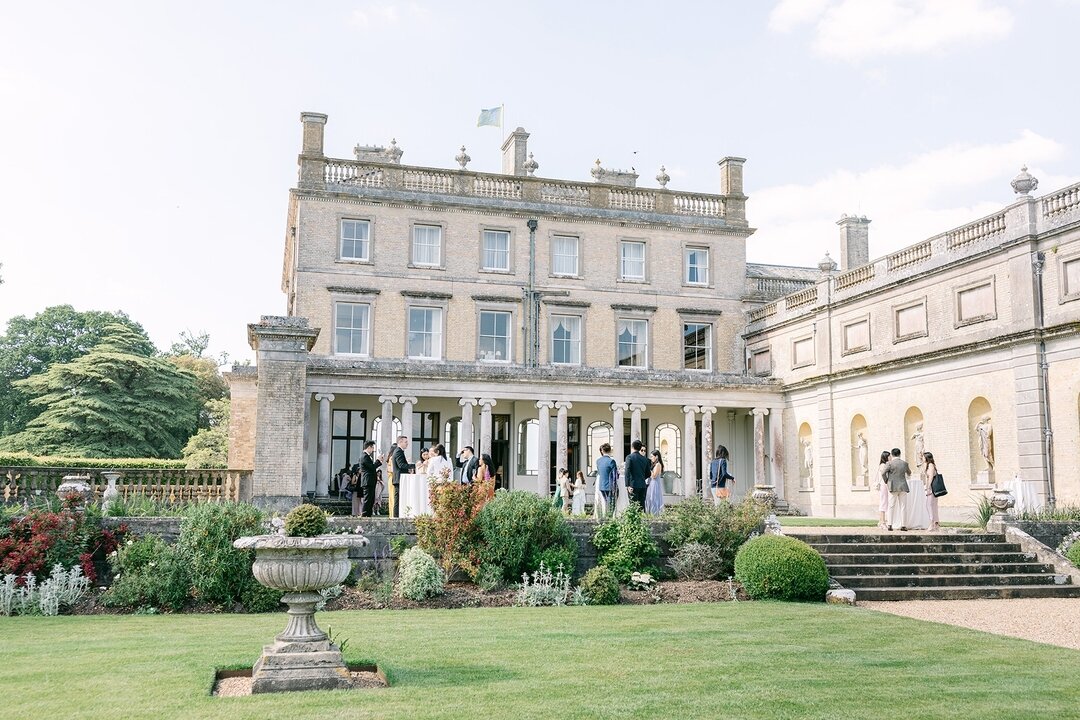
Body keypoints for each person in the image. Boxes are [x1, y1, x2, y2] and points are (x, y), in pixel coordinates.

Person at [883, 447, 912, 531]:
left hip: (893, 486)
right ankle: (903, 525)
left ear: (892, 454)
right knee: (903, 506)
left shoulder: (889, 463)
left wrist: (886, 480)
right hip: (903, 486)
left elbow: (883, 472)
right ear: (900, 454)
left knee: (891, 506)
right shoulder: (904, 463)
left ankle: (890, 525)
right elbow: (909, 473)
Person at [391, 435, 414, 517]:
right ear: (400, 442)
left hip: (400, 478)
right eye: (406, 442)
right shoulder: (398, 451)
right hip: (399, 479)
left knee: (400, 498)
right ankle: (396, 516)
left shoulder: (399, 451)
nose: (407, 444)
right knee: (398, 499)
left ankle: (398, 515)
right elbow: (401, 465)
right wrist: (414, 466)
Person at [624, 439, 650, 512]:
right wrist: (641, 477)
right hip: (642, 485)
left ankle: (634, 522)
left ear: (632, 447)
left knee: (633, 506)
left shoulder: (629, 457)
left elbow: (627, 471)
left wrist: (628, 485)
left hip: (633, 485)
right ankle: (642, 521)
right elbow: (648, 473)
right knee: (641, 506)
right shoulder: (645, 459)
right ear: (640, 448)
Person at [359, 441, 383, 517]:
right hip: (368, 481)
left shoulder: (366, 456)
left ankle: (368, 516)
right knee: (367, 500)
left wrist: (379, 461)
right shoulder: (364, 456)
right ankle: (364, 516)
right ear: (369, 447)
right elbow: (372, 467)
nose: (373, 450)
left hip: (370, 481)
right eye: (372, 448)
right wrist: (378, 460)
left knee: (371, 500)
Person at [594, 443, 616, 518]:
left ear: (602, 451)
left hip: (601, 485)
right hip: (610, 485)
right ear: (610, 451)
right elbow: (615, 475)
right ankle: (609, 517)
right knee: (611, 503)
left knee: (604, 502)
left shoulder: (598, 461)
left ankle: (604, 516)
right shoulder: (611, 461)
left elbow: (599, 472)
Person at [923, 451, 940, 531]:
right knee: (933, 506)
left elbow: (930, 478)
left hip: (932, 488)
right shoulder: (930, 465)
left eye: (923, 457)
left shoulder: (930, 465)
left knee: (929, 505)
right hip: (932, 488)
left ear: (927, 458)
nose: (922, 458)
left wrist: (928, 487)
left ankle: (932, 523)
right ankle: (936, 523)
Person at [645, 449, 665, 515]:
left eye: (652, 456)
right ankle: (650, 512)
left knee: (654, 497)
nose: (651, 458)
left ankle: (655, 513)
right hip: (652, 483)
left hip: (655, 483)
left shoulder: (658, 465)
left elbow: (654, 476)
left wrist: (649, 469)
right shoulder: (655, 464)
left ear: (656, 456)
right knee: (650, 497)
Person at [876, 450, 891, 530]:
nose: (890, 457)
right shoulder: (883, 465)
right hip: (884, 485)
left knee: (884, 502)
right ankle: (883, 522)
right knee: (884, 503)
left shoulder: (884, 464)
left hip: (884, 485)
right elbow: (883, 475)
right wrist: (887, 482)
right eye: (889, 456)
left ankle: (880, 521)